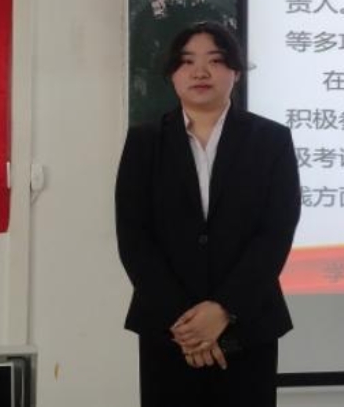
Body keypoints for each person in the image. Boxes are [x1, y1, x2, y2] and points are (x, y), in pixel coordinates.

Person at [115, 21, 301, 407]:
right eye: (187, 62)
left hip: (248, 326)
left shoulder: (271, 140)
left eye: (214, 61)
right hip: (168, 331)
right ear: (172, 74)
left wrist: (223, 310)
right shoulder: (144, 142)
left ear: (236, 72)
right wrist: (187, 326)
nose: (200, 72)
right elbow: (134, 236)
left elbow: (275, 233)